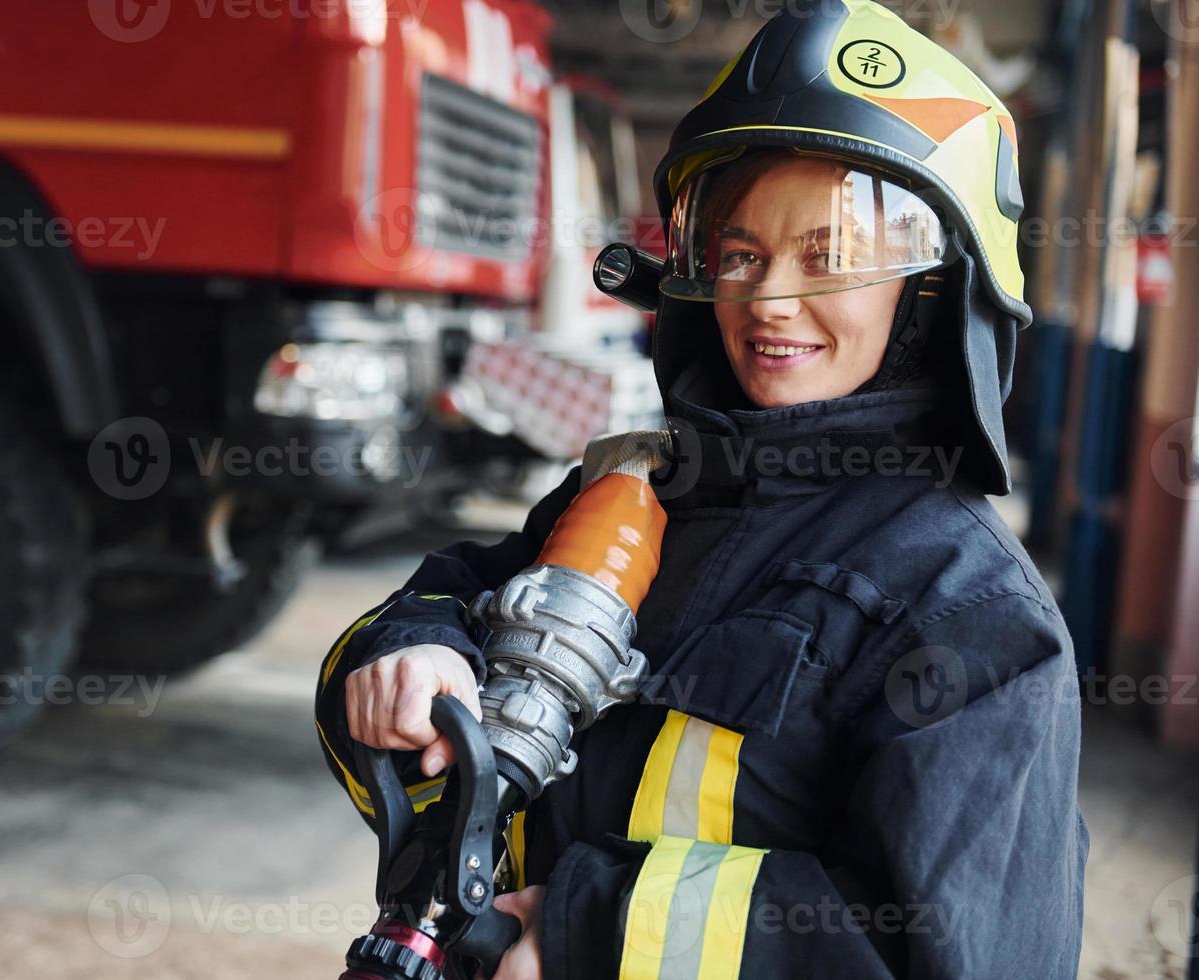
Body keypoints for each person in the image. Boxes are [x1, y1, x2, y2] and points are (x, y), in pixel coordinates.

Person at [314, 1, 1088, 977]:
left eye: (831, 256)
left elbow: (946, 948)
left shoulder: (968, 610)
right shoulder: (637, 495)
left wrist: (586, 928)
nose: (767, 299)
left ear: (933, 290)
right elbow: (451, 600)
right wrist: (409, 649)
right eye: (739, 254)